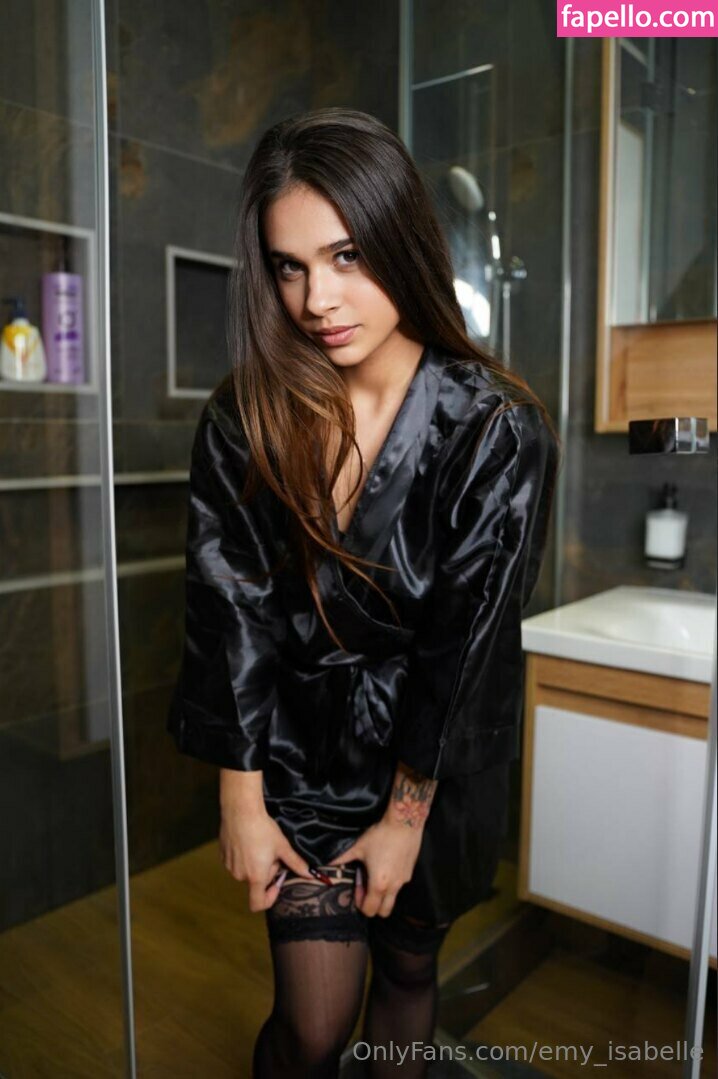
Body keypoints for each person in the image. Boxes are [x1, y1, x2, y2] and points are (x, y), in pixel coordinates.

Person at [167, 107, 561, 1078]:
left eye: (345, 256)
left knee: (408, 976)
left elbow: (466, 646)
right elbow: (230, 609)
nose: (316, 299)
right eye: (289, 266)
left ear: (400, 238)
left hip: (430, 762)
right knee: (312, 1026)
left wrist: (403, 819)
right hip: (300, 752)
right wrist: (241, 796)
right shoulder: (247, 415)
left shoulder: (493, 427)